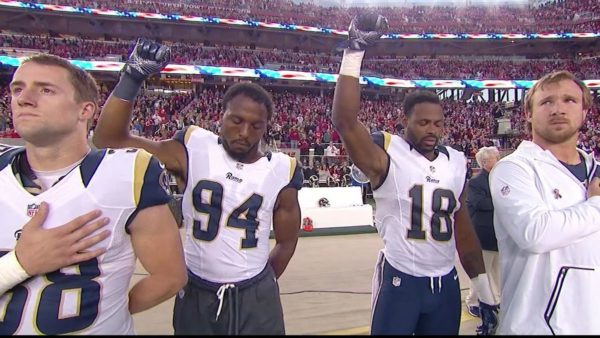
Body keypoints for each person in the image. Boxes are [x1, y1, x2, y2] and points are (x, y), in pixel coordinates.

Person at [92, 39, 303, 335]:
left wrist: (260, 284)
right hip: (197, 292)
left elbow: (287, 242)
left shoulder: (282, 170)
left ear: (266, 127)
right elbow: (108, 140)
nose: (244, 132)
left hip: (256, 295)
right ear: (220, 117)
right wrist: (132, 77)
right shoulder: (192, 148)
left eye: (256, 126)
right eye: (237, 120)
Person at [331, 14, 499, 335]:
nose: (432, 130)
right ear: (405, 121)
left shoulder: (456, 161)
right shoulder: (388, 156)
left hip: (445, 281)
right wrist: (354, 52)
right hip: (400, 280)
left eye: (437, 123)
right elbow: (345, 121)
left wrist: (487, 295)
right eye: (423, 122)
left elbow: (462, 231)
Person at [0, 54, 187, 335]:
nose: (24, 99)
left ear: (85, 110)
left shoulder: (128, 173)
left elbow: (170, 276)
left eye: (46, 90)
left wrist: (108, 314)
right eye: (17, 89)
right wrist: (19, 264)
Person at [489, 70, 600, 334]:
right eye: (546, 102)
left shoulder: (595, 169)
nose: (558, 109)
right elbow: (535, 234)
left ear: (585, 111)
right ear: (528, 113)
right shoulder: (514, 168)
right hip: (537, 325)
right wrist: (596, 205)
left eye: (569, 100)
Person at [465, 146, 501, 317]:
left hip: (499, 235)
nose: (498, 159)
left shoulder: (500, 178)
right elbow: (481, 204)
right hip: (483, 234)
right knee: (482, 272)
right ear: (486, 162)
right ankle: (473, 301)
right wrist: (502, 200)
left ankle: (498, 299)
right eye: (495, 157)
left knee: (500, 271)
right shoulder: (476, 182)